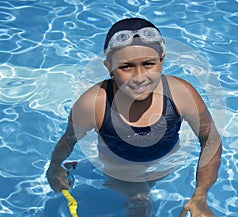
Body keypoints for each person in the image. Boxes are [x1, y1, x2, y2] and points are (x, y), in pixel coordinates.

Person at [46, 17, 222, 217]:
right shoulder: (94, 104)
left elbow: (210, 138)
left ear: (162, 60)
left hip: (166, 162)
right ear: (109, 67)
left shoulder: (181, 94)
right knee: (140, 206)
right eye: (126, 67)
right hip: (119, 169)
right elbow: (69, 139)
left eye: (148, 64)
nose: (139, 76)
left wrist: (200, 195)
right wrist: (54, 166)